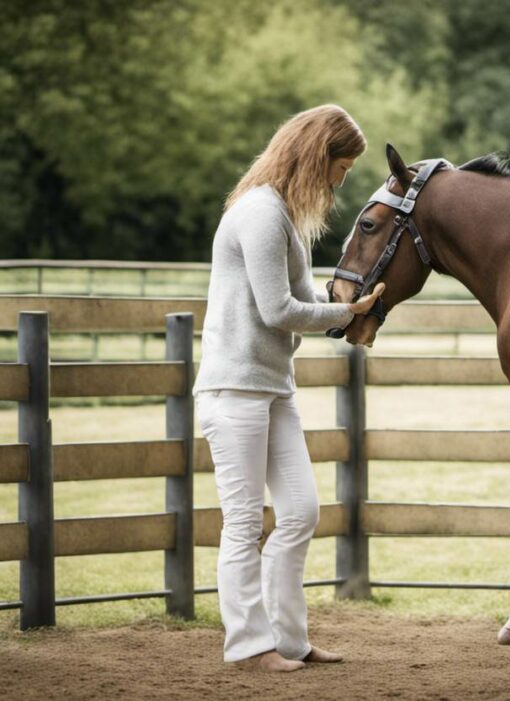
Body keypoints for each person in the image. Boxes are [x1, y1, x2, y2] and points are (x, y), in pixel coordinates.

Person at [192, 104, 384, 672]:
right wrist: (343, 315)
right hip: (235, 389)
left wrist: (348, 311)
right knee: (246, 522)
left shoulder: (282, 217)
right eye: (341, 166)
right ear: (315, 155)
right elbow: (277, 310)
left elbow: (305, 303)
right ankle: (249, 647)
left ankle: (290, 640)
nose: (340, 180)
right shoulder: (259, 213)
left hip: (272, 387)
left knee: (299, 511)